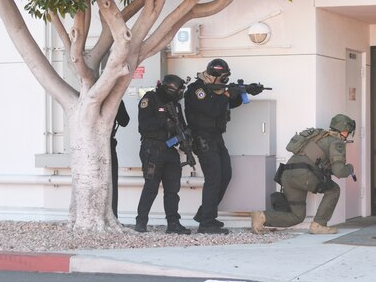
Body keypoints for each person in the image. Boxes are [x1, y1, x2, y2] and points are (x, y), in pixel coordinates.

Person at [184, 58, 263, 234]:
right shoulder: (197, 90)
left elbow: (227, 105)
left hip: (216, 138)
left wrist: (244, 93)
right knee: (214, 178)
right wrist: (228, 94)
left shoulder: (217, 89)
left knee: (225, 175)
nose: (224, 81)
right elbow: (212, 109)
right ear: (213, 76)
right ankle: (207, 223)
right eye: (222, 77)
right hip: (203, 139)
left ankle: (205, 213)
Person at [250, 114, 357, 235]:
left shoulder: (318, 136)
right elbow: (339, 171)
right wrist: (350, 168)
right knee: (334, 190)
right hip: (304, 175)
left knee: (297, 216)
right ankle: (319, 225)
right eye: (348, 132)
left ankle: (262, 217)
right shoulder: (336, 143)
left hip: (287, 174)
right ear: (344, 131)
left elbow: (321, 164)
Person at [134, 74, 192, 234]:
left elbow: (182, 125)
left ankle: (173, 223)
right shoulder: (150, 99)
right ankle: (141, 222)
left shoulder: (175, 105)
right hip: (153, 149)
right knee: (151, 187)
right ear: (169, 89)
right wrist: (165, 123)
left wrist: (185, 138)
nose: (180, 94)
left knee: (172, 190)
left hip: (170, 150)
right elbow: (144, 126)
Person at [110, 100, 130, 218]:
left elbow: (124, 121)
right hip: (107, 143)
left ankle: (112, 216)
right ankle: (113, 215)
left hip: (96, 144)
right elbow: (124, 121)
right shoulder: (116, 99)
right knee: (112, 181)